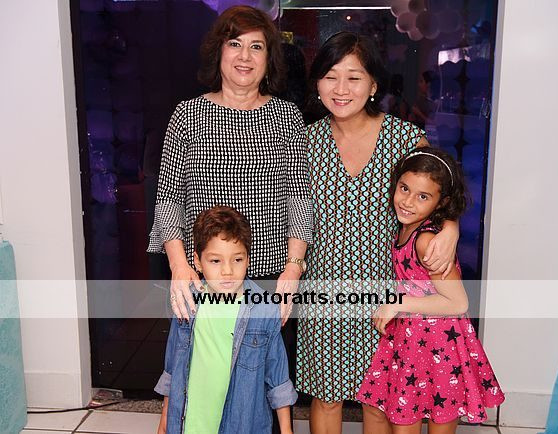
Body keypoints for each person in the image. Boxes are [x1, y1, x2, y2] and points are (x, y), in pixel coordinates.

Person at [295, 32, 460, 434]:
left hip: (389, 289)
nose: (341, 89)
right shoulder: (304, 140)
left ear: (372, 85)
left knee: (381, 399)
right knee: (326, 395)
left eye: (354, 77)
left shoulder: (404, 138)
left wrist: (450, 227)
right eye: (330, 76)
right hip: (325, 287)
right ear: (317, 84)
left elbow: (439, 192)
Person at [147, 5, 312, 323]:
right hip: (202, 276)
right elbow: (168, 199)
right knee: (203, 356)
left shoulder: (287, 116)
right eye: (235, 43)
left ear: (269, 58)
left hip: (270, 278)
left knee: (265, 356)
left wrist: (293, 268)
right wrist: (179, 266)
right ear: (218, 52)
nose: (245, 56)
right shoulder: (187, 115)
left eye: (256, 46)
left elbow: (299, 198)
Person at [358, 148, 505, 433]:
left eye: (423, 196)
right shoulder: (406, 228)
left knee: (434, 416)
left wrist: (398, 303)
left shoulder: (426, 240)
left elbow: (457, 302)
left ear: (441, 202)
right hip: (412, 340)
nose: (408, 201)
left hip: (440, 344)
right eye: (404, 188)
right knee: (395, 411)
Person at [156, 206, 296, 434]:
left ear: (248, 259)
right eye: (215, 261)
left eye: (237, 259)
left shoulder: (264, 309)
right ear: (198, 262)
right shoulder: (187, 302)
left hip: (242, 424)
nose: (227, 271)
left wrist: (287, 430)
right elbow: (173, 365)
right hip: (193, 423)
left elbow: (278, 376)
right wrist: (165, 419)